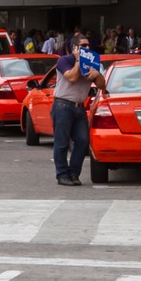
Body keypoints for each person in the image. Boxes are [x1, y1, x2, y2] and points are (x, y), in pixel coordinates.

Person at [51, 34, 104, 186]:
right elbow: (72, 77)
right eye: (83, 46)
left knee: (82, 140)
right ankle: (62, 174)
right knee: (61, 143)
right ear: (74, 48)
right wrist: (78, 61)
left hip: (79, 107)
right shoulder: (64, 60)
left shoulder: (92, 62)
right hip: (63, 105)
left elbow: (102, 85)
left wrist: (97, 74)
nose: (87, 48)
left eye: (88, 46)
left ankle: (74, 173)